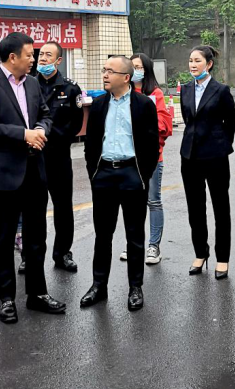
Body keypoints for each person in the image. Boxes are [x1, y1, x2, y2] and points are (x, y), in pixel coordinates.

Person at [0, 32, 65, 324]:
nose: (34, 60)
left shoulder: (33, 83)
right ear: (12, 57)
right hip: (5, 174)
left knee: (37, 237)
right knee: (4, 239)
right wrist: (24, 134)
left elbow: (46, 115)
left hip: (34, 171)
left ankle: (37, 294)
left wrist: (40, 130)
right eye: (29, 55)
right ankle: (7, 299)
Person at [80, 56, 159, 312]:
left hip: (131, 174)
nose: (105, 75)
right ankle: (98, 286)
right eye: (104, 70)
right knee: (103, 234)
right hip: (104, 174)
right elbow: (91, 143)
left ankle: (135, 287)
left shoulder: (143, 105)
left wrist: (143, 174)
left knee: (135, 235)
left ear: (126, 78)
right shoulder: (99, 105)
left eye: (110, 71)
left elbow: (152, 144)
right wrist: (94, 173)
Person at [179, 45, 235, 280]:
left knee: (221, 208)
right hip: (189, 156)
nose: (193, 65)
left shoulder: (221, 90)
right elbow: (188, 120)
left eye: (197, 61)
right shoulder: (185, 89)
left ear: (209, 64)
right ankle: (200, 253)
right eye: (190, 61)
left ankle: (222, 258)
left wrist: (221, 144)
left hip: (215, 156)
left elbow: (230, 123)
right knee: (195, 208)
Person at [119, 53, 172, 265]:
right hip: (128, 158)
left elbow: (165, 126)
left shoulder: (155, 94)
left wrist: (142, 123)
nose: (135, 70)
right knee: (131, 203)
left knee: (153, 201)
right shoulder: (123, 93)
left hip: (151, 158)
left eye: (139, 67)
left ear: (147, 69)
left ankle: (153, 246)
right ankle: (133, 244)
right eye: (132, 66)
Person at [35, 41, 84, 273]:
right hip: (34, 156)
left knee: (63, 208)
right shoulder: (29, 85)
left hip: (59, 156)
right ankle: (30, 255)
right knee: (34, 208)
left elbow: (75, 124)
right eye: (41, 55)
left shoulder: (70, 88)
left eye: (48, 55)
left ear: (58, 60)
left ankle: (63, 253)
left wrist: (51, 136)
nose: (43, 59)